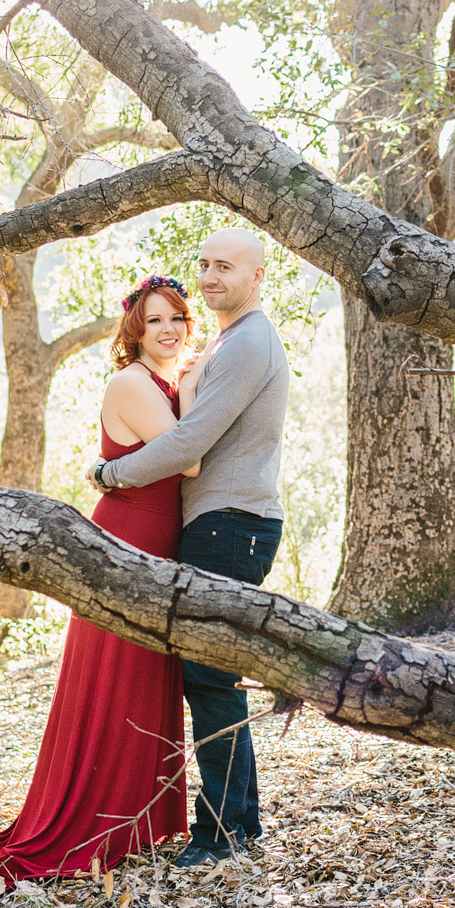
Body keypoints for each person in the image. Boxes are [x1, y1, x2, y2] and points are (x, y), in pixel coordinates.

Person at [0, 275, 202, 881]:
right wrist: (195, 387)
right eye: (154, 321)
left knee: (146, 673)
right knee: (113, 674)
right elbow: (188, 457)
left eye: (177, 318)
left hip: (161, 539)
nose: (168, 331)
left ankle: (140, 819)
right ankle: (93, 819)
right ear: (134, 331)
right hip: (126, 538)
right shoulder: (132, 382)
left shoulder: (166, 381)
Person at [90, 230, 289, 867]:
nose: (209, 276)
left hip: (233, 524)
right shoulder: (228, 342)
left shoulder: (250, 342)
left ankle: (224, 833)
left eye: (224, 267)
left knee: (210, 678)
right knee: (210, 677)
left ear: (256, 276)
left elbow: (189, 443)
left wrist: (111, 473)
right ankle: (238, 824)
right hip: (218, 523)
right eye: (203, 264)